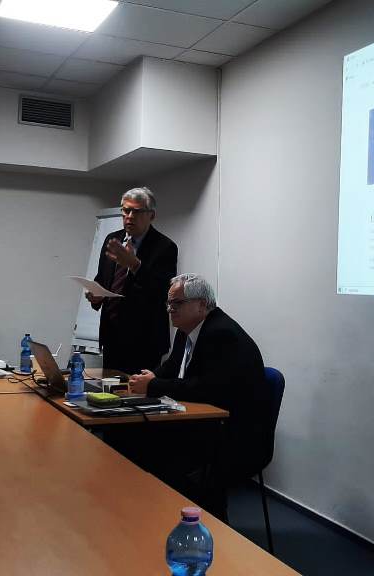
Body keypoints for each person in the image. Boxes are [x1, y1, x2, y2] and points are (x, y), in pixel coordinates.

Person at [128, 274, 270, 514]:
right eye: (169, 303)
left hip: (235, 433)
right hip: (206, 422)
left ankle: (184, 515)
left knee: (152, 444)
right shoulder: (186, 329)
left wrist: (153, 386)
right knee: (137, 434)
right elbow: (171, 368)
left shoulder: (222, 334)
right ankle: (160, 509)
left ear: (202, 305)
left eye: (177, 303)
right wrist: (145, 378)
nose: (170, 309)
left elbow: (205, 389)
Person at [86, 187, 177, 374]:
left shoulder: (165, 247)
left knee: (138, 391)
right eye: (126, 210)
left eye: (136, 211)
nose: (129, 216)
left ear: (151, 215)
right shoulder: (113, 239)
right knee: (110, 389)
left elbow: (162, 292)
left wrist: (135, 265)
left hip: (144, 342)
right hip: (111, 337)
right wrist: (96, 296)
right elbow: (103, 279)